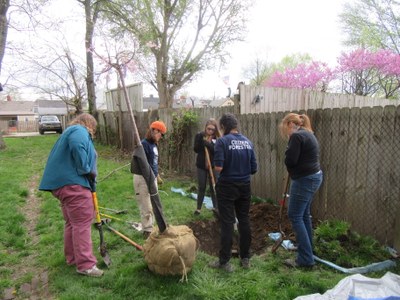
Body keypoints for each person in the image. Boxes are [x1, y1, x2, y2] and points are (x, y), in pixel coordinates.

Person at [39, 113, 103, 277]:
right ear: (89, 124)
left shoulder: (69, 132)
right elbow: (77, 146)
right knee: (81, 223)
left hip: (62, 185)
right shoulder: (79, 130)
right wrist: (86, 169)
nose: (92, 132)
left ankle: (73, 258)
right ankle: (86, 265)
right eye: (93, 129)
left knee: (72, 223)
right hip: (74, 185)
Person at [209, 113, 257, 272]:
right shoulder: (248, 142)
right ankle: (245, 258)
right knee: (244, 220)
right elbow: (253, 169)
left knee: (228, 222)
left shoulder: (222, 142)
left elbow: (219, 168)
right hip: (245, 186)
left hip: (227, 186)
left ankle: (224, 262)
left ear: (223, 127)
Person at [279, 113, 323, 268]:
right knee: (303, 214)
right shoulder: (308, 133)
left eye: (285, 128)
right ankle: (307, 249)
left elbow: (291, 160)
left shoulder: (297, 137)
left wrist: (287, 154)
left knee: (295, 215)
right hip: (313, 177)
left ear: (290, 123)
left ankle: (305, 259)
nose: (285, 132)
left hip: (305, 179)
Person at [133, 120, 167, 238]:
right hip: (142, 179)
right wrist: (150, 178)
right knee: (146, 206)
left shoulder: (154, 145)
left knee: (153, 205)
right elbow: (141, 165)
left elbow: (153, 163)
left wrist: (157, 176)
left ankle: (151, 227)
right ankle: (147, 231)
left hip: (152, 178)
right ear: (154, 130)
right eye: (160, 134)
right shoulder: (143, 145)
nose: (161, 137)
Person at [193, 119, 220, 215]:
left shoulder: (217, 138)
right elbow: (196, 149)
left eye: (213, 129)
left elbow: (216, 151)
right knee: (202, 186)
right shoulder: (200, 135)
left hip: (213, 166)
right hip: (201, 165)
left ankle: (216, 207)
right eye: (209, 129)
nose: (210, 131)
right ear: (205, 127)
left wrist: (208, 144)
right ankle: (198, 208)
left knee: (214, 187)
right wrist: (201, 141)